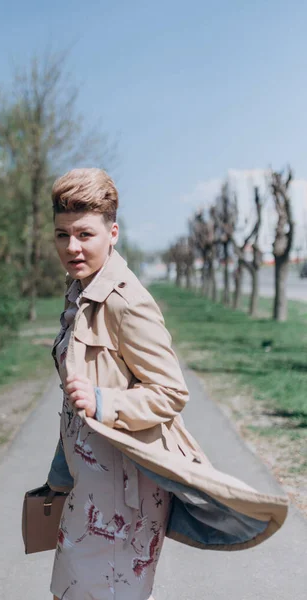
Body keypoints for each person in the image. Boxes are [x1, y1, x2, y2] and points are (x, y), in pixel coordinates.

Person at [47, 168, 288, 600]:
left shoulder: (125, 301)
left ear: (112, 232)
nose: (72, 246)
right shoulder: (81, 293)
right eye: (62, 235)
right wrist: (60, 474)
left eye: (85, 234)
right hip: (92, 483)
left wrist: (104, 400)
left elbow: (171, 392)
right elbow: (73, 405)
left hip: (123, 494)